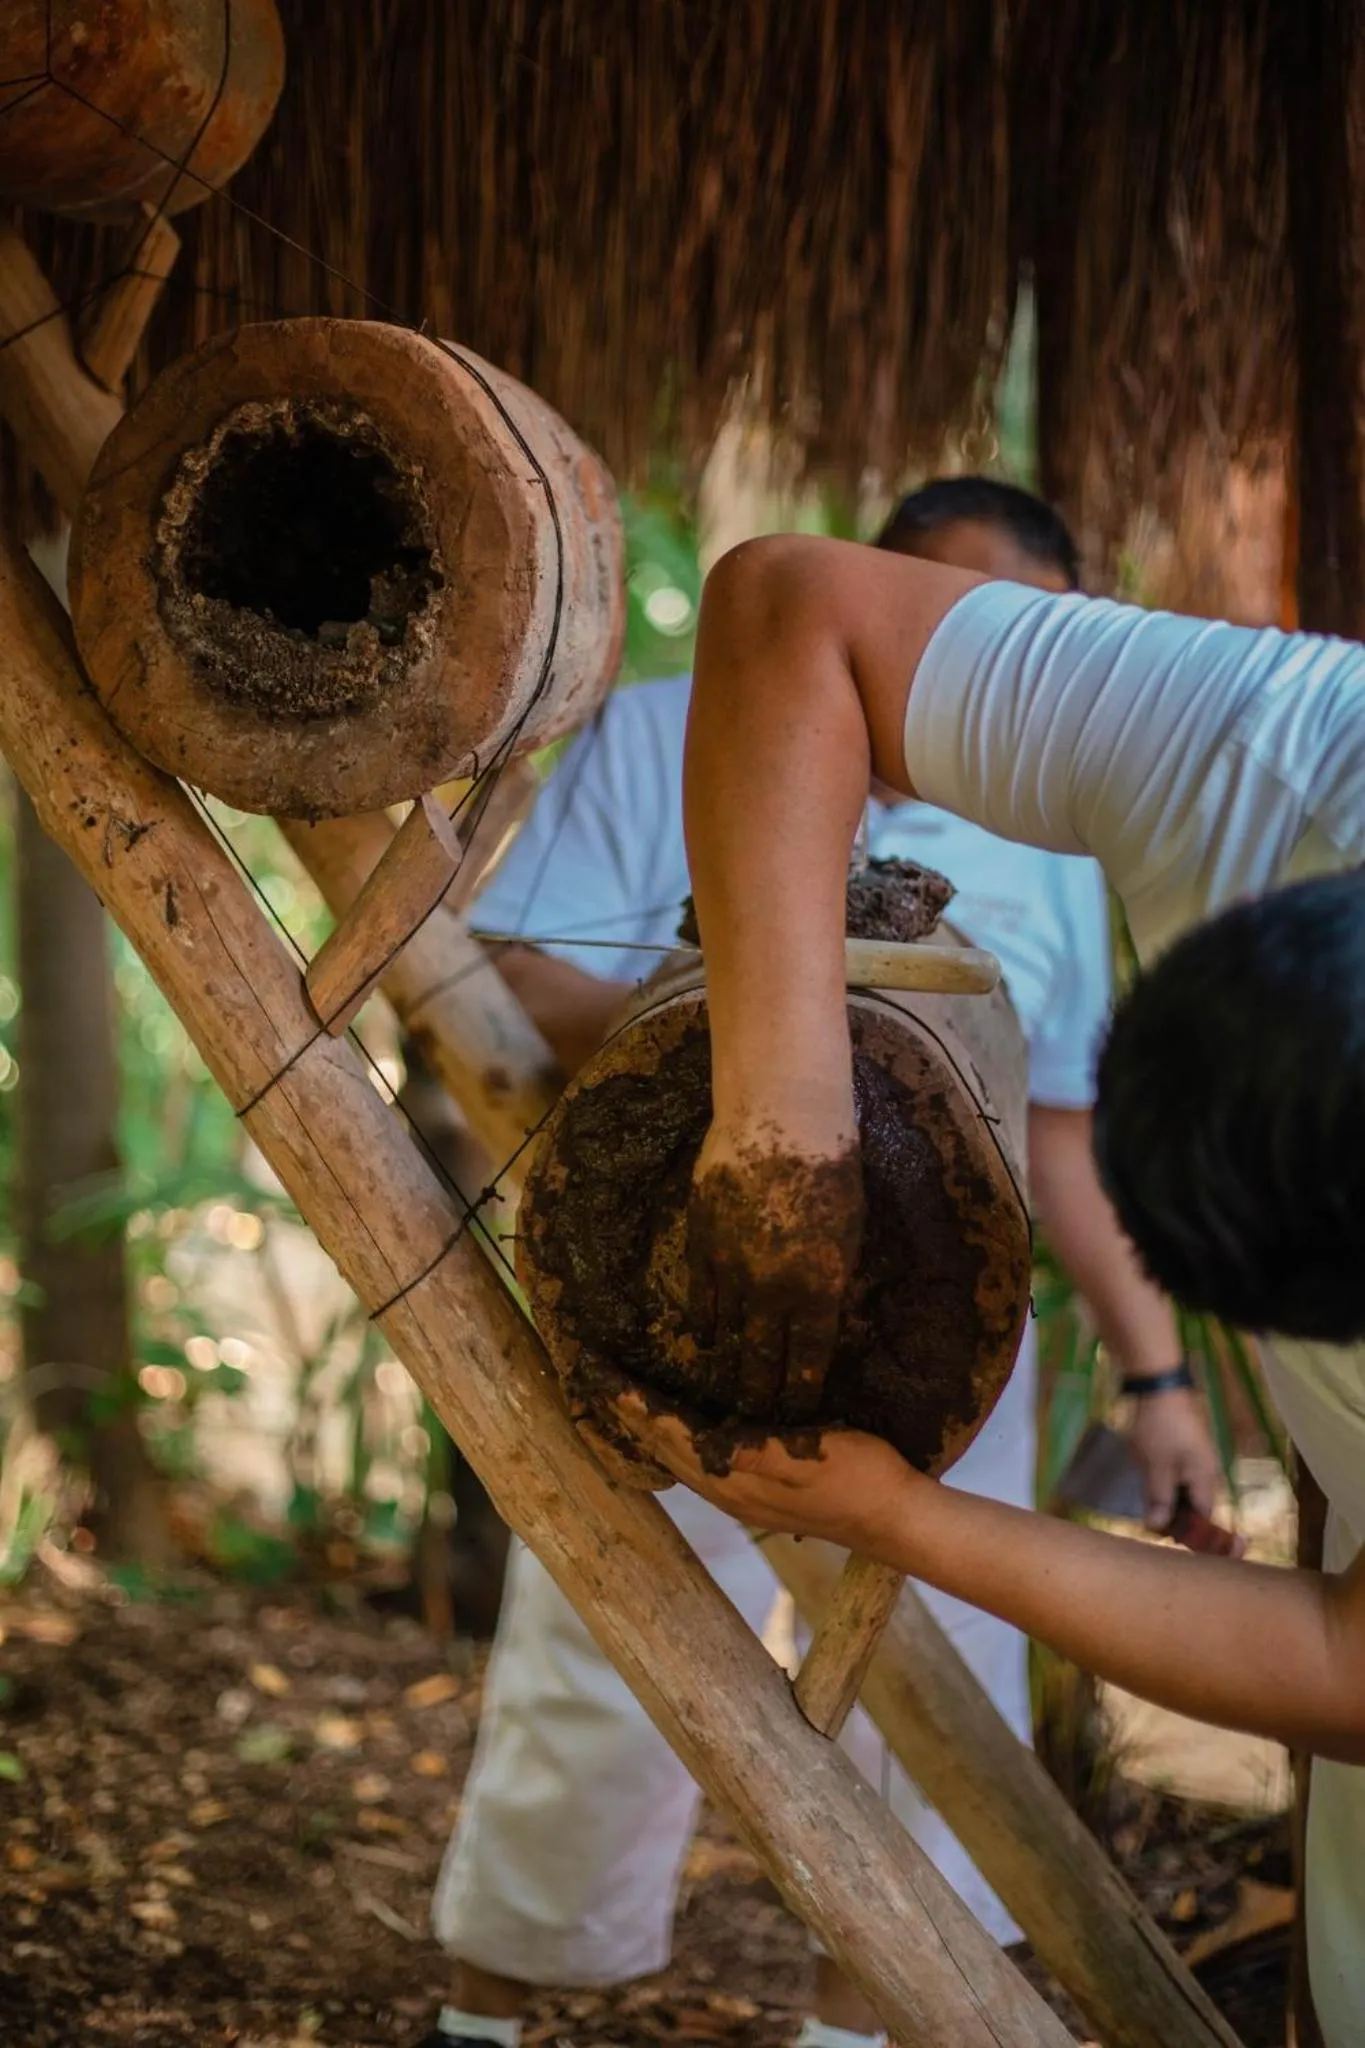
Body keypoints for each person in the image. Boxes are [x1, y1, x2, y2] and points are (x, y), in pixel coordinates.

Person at [414, 480, 1217, 2048]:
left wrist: (1161, 1376)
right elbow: (508, 979)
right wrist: (755, 1001)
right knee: (609, 1634)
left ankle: (863, 2026)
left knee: (946, 1675)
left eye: (1012, 639)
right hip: (666, 1275)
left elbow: (1059, 1133)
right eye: (936, 618)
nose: (965, 670)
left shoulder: (1051, 826)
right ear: (870, 594)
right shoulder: (666, 735)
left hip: (949, 1328)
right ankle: (490, 2011)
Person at [611, 521, 1365, 2045]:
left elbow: (1350, 1665)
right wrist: (785, 1127)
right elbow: (791, 608)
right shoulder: (1274, 746)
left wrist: (908, 1522)